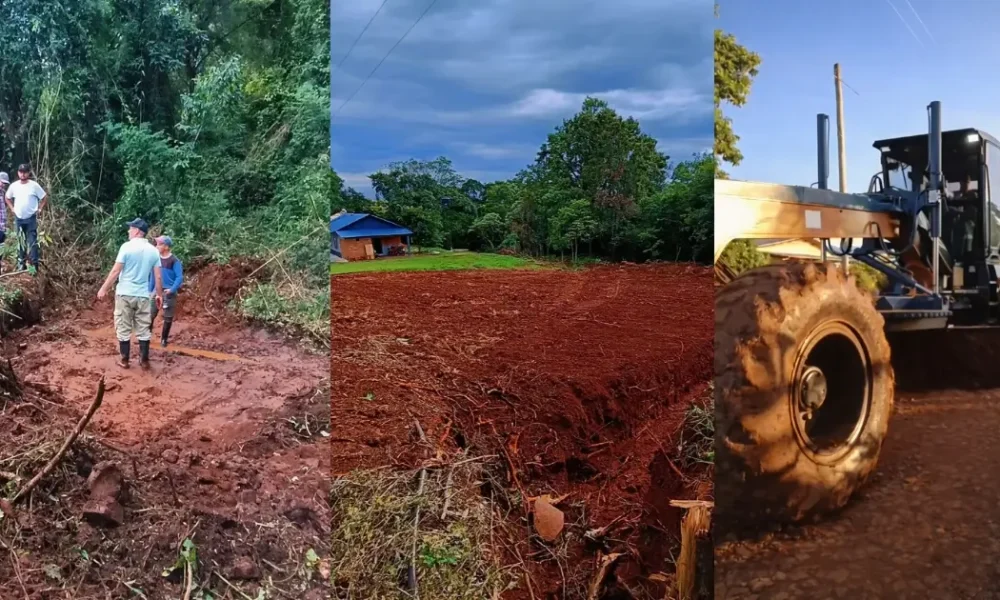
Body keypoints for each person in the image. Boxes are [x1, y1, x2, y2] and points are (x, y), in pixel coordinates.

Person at [97, 218, 163, 369]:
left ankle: (125, 360)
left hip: (125, 294)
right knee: (144, 328)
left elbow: (116, 271)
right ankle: (144, 361)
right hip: (143, 295)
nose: (128, 231)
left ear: (137, 231)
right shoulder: (153, 251)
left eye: (131, 228)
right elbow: (158, 276)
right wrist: (159, 295)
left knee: (123, 326)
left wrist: (104, 288)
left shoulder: (126, 247)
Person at [4, 164, 47, 275]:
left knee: (32, 242)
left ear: (28, 173)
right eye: (21, 172)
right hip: (19, 218)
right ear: (18, 173)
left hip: (31, 218)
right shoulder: (14, 186)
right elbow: (7, 197)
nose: (23, 174)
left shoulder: (34, 185)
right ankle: (21, 265)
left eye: (25, 172)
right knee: (21, 241)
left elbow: (44, 197)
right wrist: (12, 208)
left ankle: (34, 267)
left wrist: (40, 209)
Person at [148, 235, 183, 347]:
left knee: (168, 317)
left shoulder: (174, 260)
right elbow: (153, 276)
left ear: (166, 247)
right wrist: (149, 291)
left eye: (160, 244)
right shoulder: (155, 259)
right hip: (156, 290)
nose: (157, 246)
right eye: (157, 244)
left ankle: (164, 340)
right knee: (150, 314)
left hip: (168, 292)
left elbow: (179, 277)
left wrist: (172, 289)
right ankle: (146, 338)